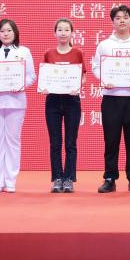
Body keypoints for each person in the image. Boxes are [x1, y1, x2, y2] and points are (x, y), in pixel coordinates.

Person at [92, 5, 130, 193]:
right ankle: (110, 178)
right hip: (111, 98)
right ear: (112, 22)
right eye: (118, 18)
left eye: (125, 17)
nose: (122, 21)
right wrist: (104, 79)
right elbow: (96, 66)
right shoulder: (104, 44)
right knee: (111, 141)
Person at [0, 19, 36, 194]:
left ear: (15, 33)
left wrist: (21, 84)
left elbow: (31, 76)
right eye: (2, 31)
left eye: (9, 31)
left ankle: (11, 179)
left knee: (13, 140)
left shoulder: (24, 51)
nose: (5, 34)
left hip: (16, 101)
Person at [42, 18, 86, 194]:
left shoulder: (78, 53)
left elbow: (83, 76)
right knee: (55, 142)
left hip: (72, 101)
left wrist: (78, 86)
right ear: (55, 33)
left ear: (72, 33)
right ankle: (57, 178)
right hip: (52, 101)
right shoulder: (49, 53)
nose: (63, 33)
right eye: (59, 29)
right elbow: (45, 76)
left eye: (66, 29)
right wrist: (44, 86)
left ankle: (68, 178)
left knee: (70, 142)